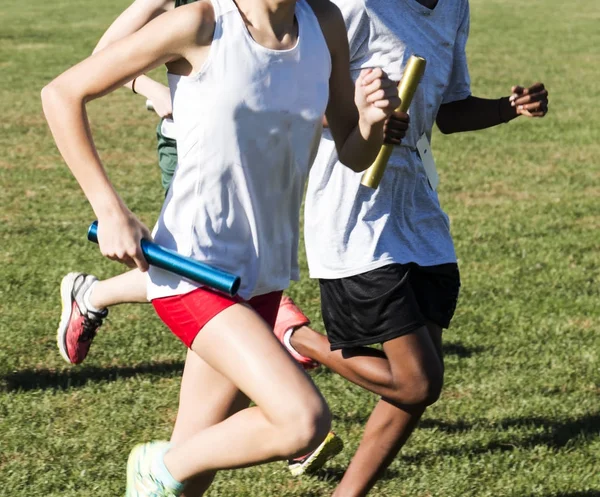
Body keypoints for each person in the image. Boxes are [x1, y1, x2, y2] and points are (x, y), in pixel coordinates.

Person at [42, 1, 401, 496]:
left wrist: (370, 121)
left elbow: (353, 150)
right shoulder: (202, 23)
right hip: (193, 267)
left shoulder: (324, 23)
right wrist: (109, 209)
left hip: (263, 275)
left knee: (188, 484)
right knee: (302, 421)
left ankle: (166, 473)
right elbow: (61, 93)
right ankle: (157, 464)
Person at [268, 0, 550, 495]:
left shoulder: (453, 8)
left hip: (419, 214)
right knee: (417, 381)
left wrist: (509, 108)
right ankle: (297, 339)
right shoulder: (353, 7)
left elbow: (449, 111)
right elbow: (298, 98)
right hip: (354, 212)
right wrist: (365, 119)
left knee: (416, 386)